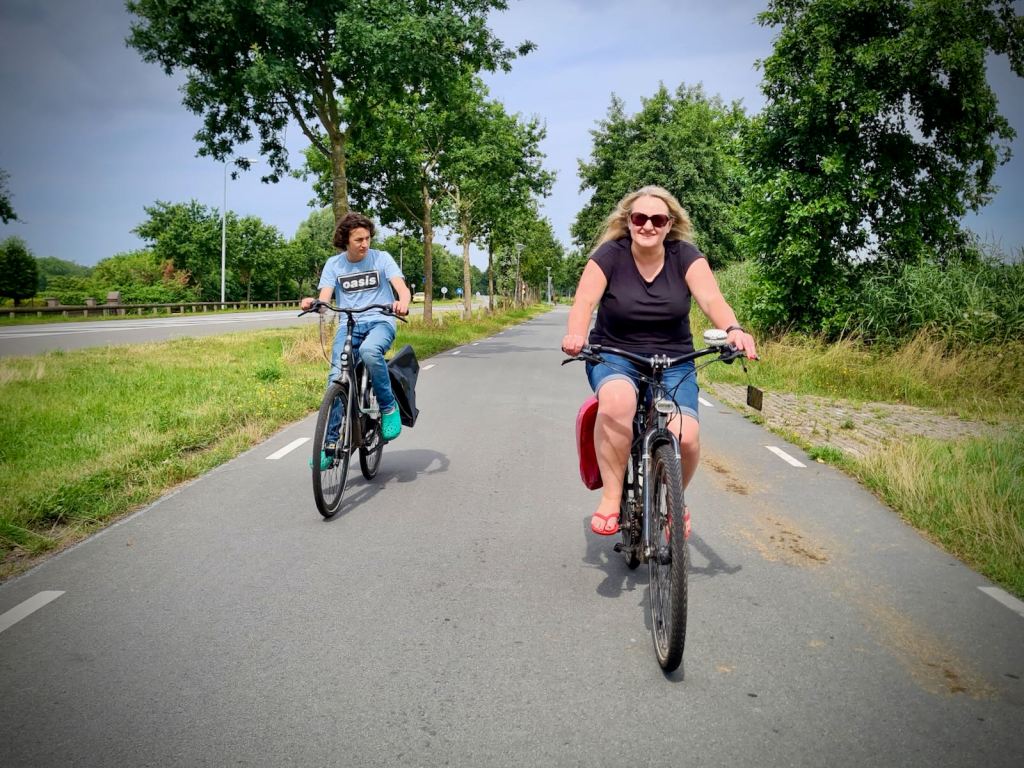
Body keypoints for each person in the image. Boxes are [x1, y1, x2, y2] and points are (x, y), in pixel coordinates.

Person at [561, 185, 757, 535]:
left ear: (669, 225)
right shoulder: (609, 255)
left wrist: (733, 329)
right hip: (615, 354)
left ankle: (674, 500)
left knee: (686, 436)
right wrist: (576, 335)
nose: (647, 225)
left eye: (657, 219)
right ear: (629, 222)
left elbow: (712, 300)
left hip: (675, 358)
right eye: (640, 218)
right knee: (618, 402)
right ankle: (611, 496)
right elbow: (583, 303)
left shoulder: (686, 256)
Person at [301, 212, 411, 448]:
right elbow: (324, 301)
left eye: (367, 238)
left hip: (381, 321)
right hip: (349, 325)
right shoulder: (334, 264)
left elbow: (402, 289)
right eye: (358, 240)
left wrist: (402, 303)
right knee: (336, 378)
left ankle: (388, 407)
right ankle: (329, 445)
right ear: (345, 240)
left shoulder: (381, 258)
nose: (365, 244)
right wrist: (314, 304)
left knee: (371, 352)